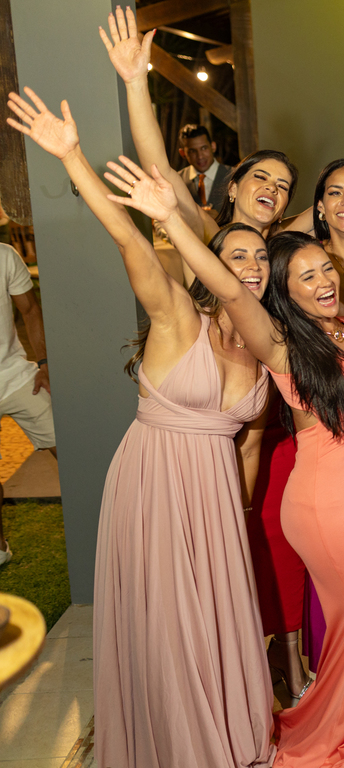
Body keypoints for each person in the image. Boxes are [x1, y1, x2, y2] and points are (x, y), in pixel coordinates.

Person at [115, 149, 344, 765]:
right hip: (329, 503)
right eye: (306, 277)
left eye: (325, 269)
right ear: (285, 293)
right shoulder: (283, 344)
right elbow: (227, 288)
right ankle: (332, 721)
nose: (323, 282)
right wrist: (170, 220)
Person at [7, 87, 276, 766]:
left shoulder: (265, 347)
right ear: (210, 265)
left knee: (213, 619)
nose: (251, 266)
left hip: (216, 501)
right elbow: (128, 238)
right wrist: (72, 157)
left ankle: (226, 733)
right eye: (236, 256)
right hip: (156, 483)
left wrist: (239, 516)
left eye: (260, 258)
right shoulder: (178, 317)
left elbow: (248, 446)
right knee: (170, 627)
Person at [101, 6, 344, 242]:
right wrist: (135, 82)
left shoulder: (283, 240)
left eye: (282, 186)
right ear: (233, 189)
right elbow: (160, 169)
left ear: (282, 209)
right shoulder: (209, 233)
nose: (272, 188)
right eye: (261, 177)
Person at [0, 217, 55, 570]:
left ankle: (107, 522)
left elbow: (31, 310)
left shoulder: (5, 255)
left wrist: (45, 363)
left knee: (69, 447)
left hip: (16, 375)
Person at [177, 123, 231, 210]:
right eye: (192, 151)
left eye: (204, 148)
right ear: (182, 153)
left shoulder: (234, 176)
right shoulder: (177, 181)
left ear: (213, 147)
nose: (200, 156)